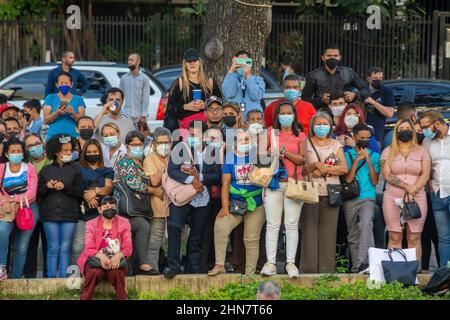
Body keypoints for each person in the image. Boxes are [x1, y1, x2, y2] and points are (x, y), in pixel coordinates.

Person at [164, 121, 221, 278]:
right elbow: (172, 171)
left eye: (196, 134)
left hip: (203, 200)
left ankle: (192, 269)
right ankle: (173, 266)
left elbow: (217, 176)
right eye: (190, 134)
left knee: (197, 235)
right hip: (183, 198)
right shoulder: (180, 148)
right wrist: (191, 179)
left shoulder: (212, 151)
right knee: (175, 227)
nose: (192, 137)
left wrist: (200, 177)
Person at [208, 129, 265, 276]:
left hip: (256, 204)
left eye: (247, 140)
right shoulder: (230, 157)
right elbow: (225, 183)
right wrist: (225, 207)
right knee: (220, 226)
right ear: (235, 143)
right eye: (241, 140)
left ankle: (249, 274)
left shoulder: (259, 156)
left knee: (251, 239)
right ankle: (220, 264)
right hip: (236, 203)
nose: (244, 143)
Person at [260, 100, 306, 278]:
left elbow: (303, 160)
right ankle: (270, 263)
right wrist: (271, 153)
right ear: (277, 116)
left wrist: (285, 153)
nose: (286, 115)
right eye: (283, 113)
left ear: (294, 116)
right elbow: (260, 156)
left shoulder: (300, 135)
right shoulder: (270, 133)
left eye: (289, 113)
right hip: (274, 183)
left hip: (294, 184)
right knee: (272, 224)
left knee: (291, 225)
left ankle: (290, 264)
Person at [299, 111, 348, 273]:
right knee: (309, 233)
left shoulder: (336, 145)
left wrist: (325, 169)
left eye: (324, 124)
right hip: (309, 193)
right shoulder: (305, 143)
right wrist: (315, 168)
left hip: (330, 193)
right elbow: (301, 167)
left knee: (328, 234)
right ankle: (308, 270)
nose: (321, 127)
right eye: (318, 124)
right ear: (313, 126)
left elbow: (344, 168)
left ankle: (326, 271)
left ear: (330, 127)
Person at [381, 119, 431, 265]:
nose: (404, 131)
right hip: (392, 198)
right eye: (401, 128)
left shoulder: (422, 151)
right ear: (396, 131)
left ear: (413, 131)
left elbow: (425, 174)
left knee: (414, 237)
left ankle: (412, 275)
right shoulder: (387, 151)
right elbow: (387, 175)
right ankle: (396, 275)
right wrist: (407, 187)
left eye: (407, 128)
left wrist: (413, 189)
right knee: (395, 236)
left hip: (417, 197)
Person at [37, 134, 83, 278]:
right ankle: (51, 280)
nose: (70, 153)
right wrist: (47, 186)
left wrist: (65, 187)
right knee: (52, 248)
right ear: (57, 152)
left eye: (71, 150)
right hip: (49, 215)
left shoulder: (76, 169)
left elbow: (80, 192)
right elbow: (38, 193)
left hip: (70, 214)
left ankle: (63, 281)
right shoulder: (45, 170)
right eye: (66, 150)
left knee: (65, 248)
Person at [114, 130, 154, 275]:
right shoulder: (125, 162)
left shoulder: (143, 161)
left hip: (140, 208)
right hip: (126, 211)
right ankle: (142, 264)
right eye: (133, 144)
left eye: (140, 144)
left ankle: (132, 269)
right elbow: (133, 183)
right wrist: (154, 190)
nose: (137, 147)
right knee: (143, 227)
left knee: (139, 234)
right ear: (127, 145)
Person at [78, 196, 132, 300]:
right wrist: (101, 257)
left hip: (115, 261)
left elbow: (128, 246)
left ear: (116, 208)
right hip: (96, 260)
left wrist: (118, 256)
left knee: (115, 272)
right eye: (105, 205)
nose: (109, 207)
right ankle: (85, 297)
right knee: (95, 272)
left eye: (112, 205)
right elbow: (88, 248)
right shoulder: (91, 224)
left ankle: (123, 298)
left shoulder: (124, 222)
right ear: (99, 209)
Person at [343, 123, 381, 273]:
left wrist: (369, 161)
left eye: (367, 138)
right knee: (352, 233)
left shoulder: (375, 156)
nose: (364, 140)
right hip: (351, 198)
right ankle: (355, 267)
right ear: (354, 137)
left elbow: (374, 181)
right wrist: (357, 160)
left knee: (365, 225)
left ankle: (362, 263)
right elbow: (348, 179)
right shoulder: (347, 154)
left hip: (367, 197)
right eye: (361, 138)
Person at [0, 138, 39, 280]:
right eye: (12, 151)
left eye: (19, 151)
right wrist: (4, 201)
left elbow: (32, 193)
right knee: (2, 231)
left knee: (21, 246)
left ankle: (15, 278)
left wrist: (13, 199)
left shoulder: (30, 168)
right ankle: (1, 268)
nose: (16, 154)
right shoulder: (1, 168)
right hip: (6, 208)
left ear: (23, 153)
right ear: (6, 153)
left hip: (28, 208)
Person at [71, 139, 114, 266]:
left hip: (101, 215)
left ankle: (95, 274)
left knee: (99, 246)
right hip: (81, 213)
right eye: (89, 152)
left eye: (95, 151)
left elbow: (108, 188)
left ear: (99, 152)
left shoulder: (107, 170)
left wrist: (95, 192)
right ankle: (75, 277)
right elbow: (75, 187)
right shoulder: (77, 169)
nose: (92, 154)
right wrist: (86, 195)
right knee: (77, 247)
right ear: (84, 153)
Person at [164, 48, 222, 132]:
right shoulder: (179, 82)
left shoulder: (210, 82)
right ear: (185, 64)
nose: (192, 63)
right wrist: (186, 106)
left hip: (208, 127)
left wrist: (206, 105)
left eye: (195, 60)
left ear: (199, 62)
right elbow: (170, 108)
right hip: (186, 129)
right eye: (189, 61)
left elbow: (220, 104)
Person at [420, 110, 450, 267]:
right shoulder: (427, 141)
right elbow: (427, 165)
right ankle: (445, 274)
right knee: (443, 237)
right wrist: (429, 181)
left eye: (426, 126)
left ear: (437, 123)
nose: (424, 130)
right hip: (437, 193)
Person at [302, 44, 370, 110]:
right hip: (323, 115)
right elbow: (305, 99)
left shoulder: (349, 73)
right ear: (323, 57)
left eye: (335, 56)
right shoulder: (313, 75)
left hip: (345, 114)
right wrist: (321, 100)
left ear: (339, 57)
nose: (332, 58)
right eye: (329, 55)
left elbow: (366, 90)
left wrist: (355, 95)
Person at [143, 127, 172, 275]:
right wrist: (170, 166)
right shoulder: (150, 159)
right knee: (155, 242)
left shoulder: (176, 156)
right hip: (158, 208)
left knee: (174, 243)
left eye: (167, 142)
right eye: (161, 143)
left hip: (176, 207)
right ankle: (153, 270)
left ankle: (174, 269)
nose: (164, 146)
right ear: (154, 144)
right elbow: (154, 181)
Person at [23, 134, 52, 278]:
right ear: (26, 150)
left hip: (49, 209)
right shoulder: (24, 165)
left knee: (49, 246)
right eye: (30, 146)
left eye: (37, 143)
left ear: (42, 143)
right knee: (30, 245)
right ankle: (29, 278)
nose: (34, 147)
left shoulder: (52, 161)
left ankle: (48, 278)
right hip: (29, 210)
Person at [43, 72, 86, 141]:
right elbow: (45, 121)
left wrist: (73, 114)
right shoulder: (50, 98)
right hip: (53, 138)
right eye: (61, 83)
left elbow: (83, 122)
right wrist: (57, 113)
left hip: (73, 137)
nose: (64, 85)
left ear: (71, 84)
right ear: (57, 85)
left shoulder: (79, 99)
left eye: (66, 83)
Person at [222, 50, 265, 119]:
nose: (242, 65)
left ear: (250, 63)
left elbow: (257, 96)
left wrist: (248, 76)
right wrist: (232, 69)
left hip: (253, 120)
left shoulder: (258, 79)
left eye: (245, 62)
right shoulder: (231, 78)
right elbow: (229, 93)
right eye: (240, 62)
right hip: (234, 120)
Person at [364, 67, 395, 143]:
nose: (378, 80)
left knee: (375, 154)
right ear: (368, 78)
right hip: (360, 132)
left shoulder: (387, 92)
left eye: (380, 78)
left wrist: (373, 102)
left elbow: (390, 113)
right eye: (375, 78)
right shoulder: (361, 90)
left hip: (376, 134)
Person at [119, 53, 151, 124]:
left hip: (139, 115)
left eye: (132, 60)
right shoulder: (124, 78)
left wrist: (143, 115)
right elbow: (120, 96)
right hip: (126, 114)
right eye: (128, 60)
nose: (129, 62)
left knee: (140, 135)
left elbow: (146, 97)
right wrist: (120, 111)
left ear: (138, 62)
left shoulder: (144, 78)